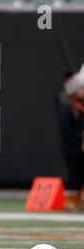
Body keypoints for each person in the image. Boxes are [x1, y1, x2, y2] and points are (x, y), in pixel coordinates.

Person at [56, 72, 84, 210]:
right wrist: (80, 138)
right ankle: (71, 201)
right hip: (72, 148)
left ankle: (78, 201)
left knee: (80, 175)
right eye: (81, 89)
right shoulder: (66, 104)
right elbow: (65, 128)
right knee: (74, 175)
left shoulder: (80, 104)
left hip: (81, 147)